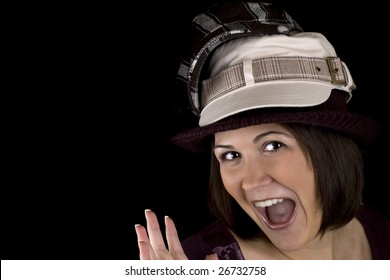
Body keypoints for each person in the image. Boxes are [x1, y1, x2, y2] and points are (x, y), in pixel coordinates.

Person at [135, 1, 390, 260]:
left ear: (331, 146)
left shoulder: (379, 229)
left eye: (273, 145)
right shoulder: (196, 263)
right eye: (230, 155)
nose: (251, 181)